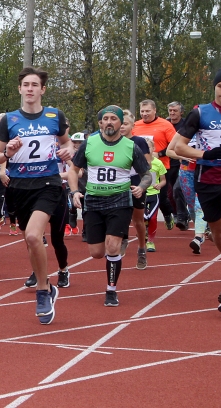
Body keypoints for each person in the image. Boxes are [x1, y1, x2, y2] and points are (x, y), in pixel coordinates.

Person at [0, 67, 74, 325]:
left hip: (48, 184)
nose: (29, 89)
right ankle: (47, 286)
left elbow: (67, 142)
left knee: (32, 235)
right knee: (31, 242)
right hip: (18, 187)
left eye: (34, 85)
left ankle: (41, 291)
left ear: (42, 89)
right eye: (25, 84)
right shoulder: (9, 120)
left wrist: (67, 151)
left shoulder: (54, 116)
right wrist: (8, 153)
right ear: (20, 89)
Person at [169, 66, 221, 313]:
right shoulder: (200, 113)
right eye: (220, 86)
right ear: (214, 88)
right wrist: (206, 154)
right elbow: (178, 148)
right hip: (207, 181)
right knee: (217, 233)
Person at [67, 106, 152, 307]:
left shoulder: (131, 147)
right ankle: (112, 253)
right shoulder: (89, 143)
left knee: (113, 247)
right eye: (105, 118)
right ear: (100, 123)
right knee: (96, 252)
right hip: (94, 200)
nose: (109, 122)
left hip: (120, 200)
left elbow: (147, 174)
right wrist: (74, 192)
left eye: (114, 118)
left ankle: (111, 290)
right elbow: (73, 170)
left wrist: (141, 187)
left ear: (120, 124)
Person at [130, 99, 176, 228]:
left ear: (155, 110)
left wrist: (159, 154)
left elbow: (175, 145)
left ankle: (167, 214)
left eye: (148, 111)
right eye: (142, 111)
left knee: (160, 196)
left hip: (160, 166)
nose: (144, 114)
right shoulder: (136, 125)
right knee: (141, 196)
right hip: (139, 168)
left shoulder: (165, 125)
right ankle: (145, 224)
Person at [121, 110, 153, 262]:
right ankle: (123, 238)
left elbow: (148, 164)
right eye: (120, 123)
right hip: (118, 182)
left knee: (138, 219)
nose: (122, 126)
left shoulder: (139, 141)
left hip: (135, 181)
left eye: (125, 124)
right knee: (120, 215)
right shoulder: (111, 141)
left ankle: (141, 247)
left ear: (132, 125)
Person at [143, 141, 168, 259]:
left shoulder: (158, 163)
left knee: (152, 218)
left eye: (149, 147)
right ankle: (144, 233)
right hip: (141, 194)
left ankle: (150, 241)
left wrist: (160, 185)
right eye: (145, 147)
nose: (147, 149)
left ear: (154, 148)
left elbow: (163, 180)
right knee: (143, 217)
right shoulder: (139, 162)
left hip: (154, 194)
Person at [166, 101, 188, 229]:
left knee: (178, 189)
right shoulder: (165, 124)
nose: (172, 113)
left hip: (181, 162)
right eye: (170, 110)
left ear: (181, 112)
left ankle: (182, 217)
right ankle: (177, 213)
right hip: (167, 162)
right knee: (170, 193)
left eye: (175, 110)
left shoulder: (186, 124)